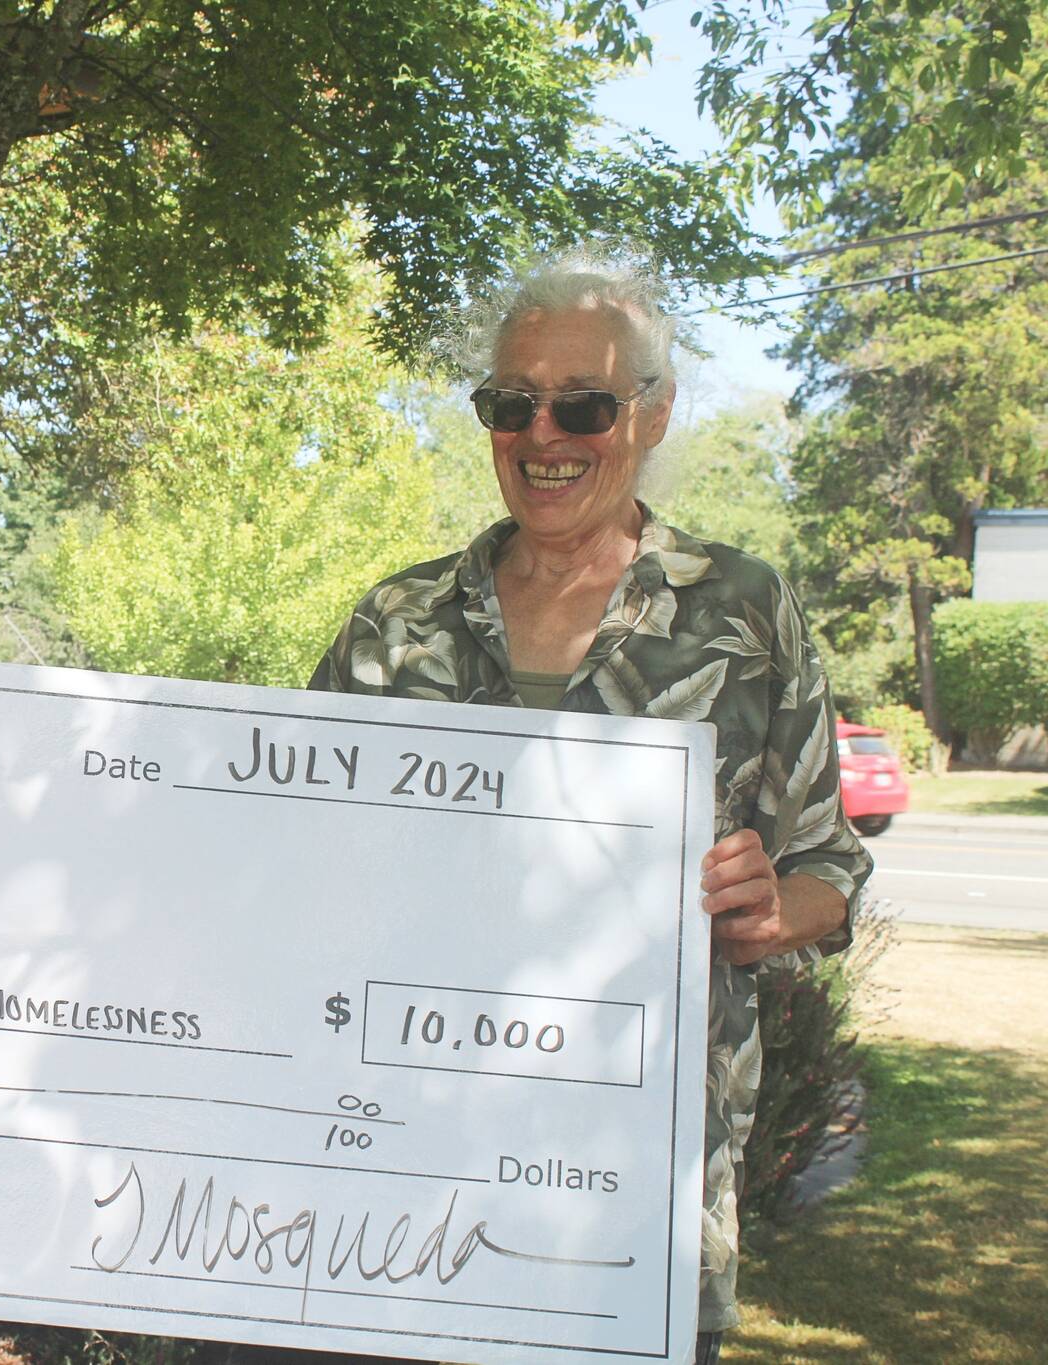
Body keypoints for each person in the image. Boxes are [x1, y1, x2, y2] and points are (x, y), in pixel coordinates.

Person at [308, 250, 873, 1365]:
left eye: (584, 403)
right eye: (509, 403)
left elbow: (827, 868)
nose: (543, 434)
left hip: (630, 1200)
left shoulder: (741, 610)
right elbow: (287, 856)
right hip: (393, 1190)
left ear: (652, 415)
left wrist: (769, 907)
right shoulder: (396, 620)